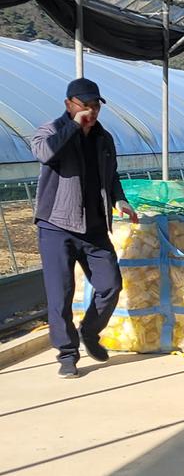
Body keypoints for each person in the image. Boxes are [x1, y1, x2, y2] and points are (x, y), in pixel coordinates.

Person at [31, 78, 138, 379]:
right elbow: (45, 154)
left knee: (110, 285)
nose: (91, 111)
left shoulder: (104, 138)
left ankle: (90, 331)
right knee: (61, 293)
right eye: (84, 105)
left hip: (93, 226)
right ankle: (67, 353)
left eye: (95, 106)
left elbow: (112, 175)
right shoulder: (50, 131)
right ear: (69, 105)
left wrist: (120, 201)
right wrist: (74, 127)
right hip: (56, 225)